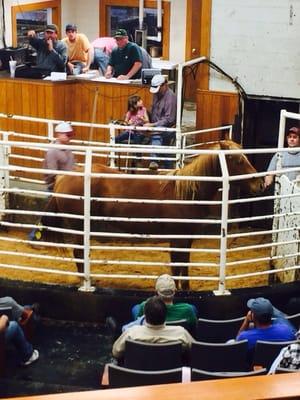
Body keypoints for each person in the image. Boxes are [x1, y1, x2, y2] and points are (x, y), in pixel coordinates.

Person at [112, 296, 194, 361]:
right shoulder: (180, 333)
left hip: (138, 377)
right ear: (165, 315)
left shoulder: (131, 333)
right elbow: (196, 351)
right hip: (172, 378)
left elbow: (116, 352)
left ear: (145, 317)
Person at [128, 274, 197, 330]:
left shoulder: (145, 305)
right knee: (192, 308)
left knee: (136, 308)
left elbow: (139, 324)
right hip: (177, 338)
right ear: (175, 291)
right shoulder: (187, 309)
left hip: (151, 333)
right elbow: (194, 328)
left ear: (156, 292)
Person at [145, 74, 177, 169]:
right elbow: (154, 111)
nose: (157, 91)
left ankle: (154, 159)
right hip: (158, 124)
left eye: (158, 88)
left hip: (168, 127)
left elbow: (169, 119)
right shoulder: (157, 94)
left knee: (157, 133)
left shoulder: (170, 98)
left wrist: (153, 125)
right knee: (165, 152)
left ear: (164, 85)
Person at [43, 122, 75, 191]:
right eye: (68, 135)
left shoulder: (68, 149)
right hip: (56, 186)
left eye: (70, 135)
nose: (70, 137)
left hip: (67, 184)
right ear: (59, 134)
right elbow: (52, 174)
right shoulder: (52, 151)